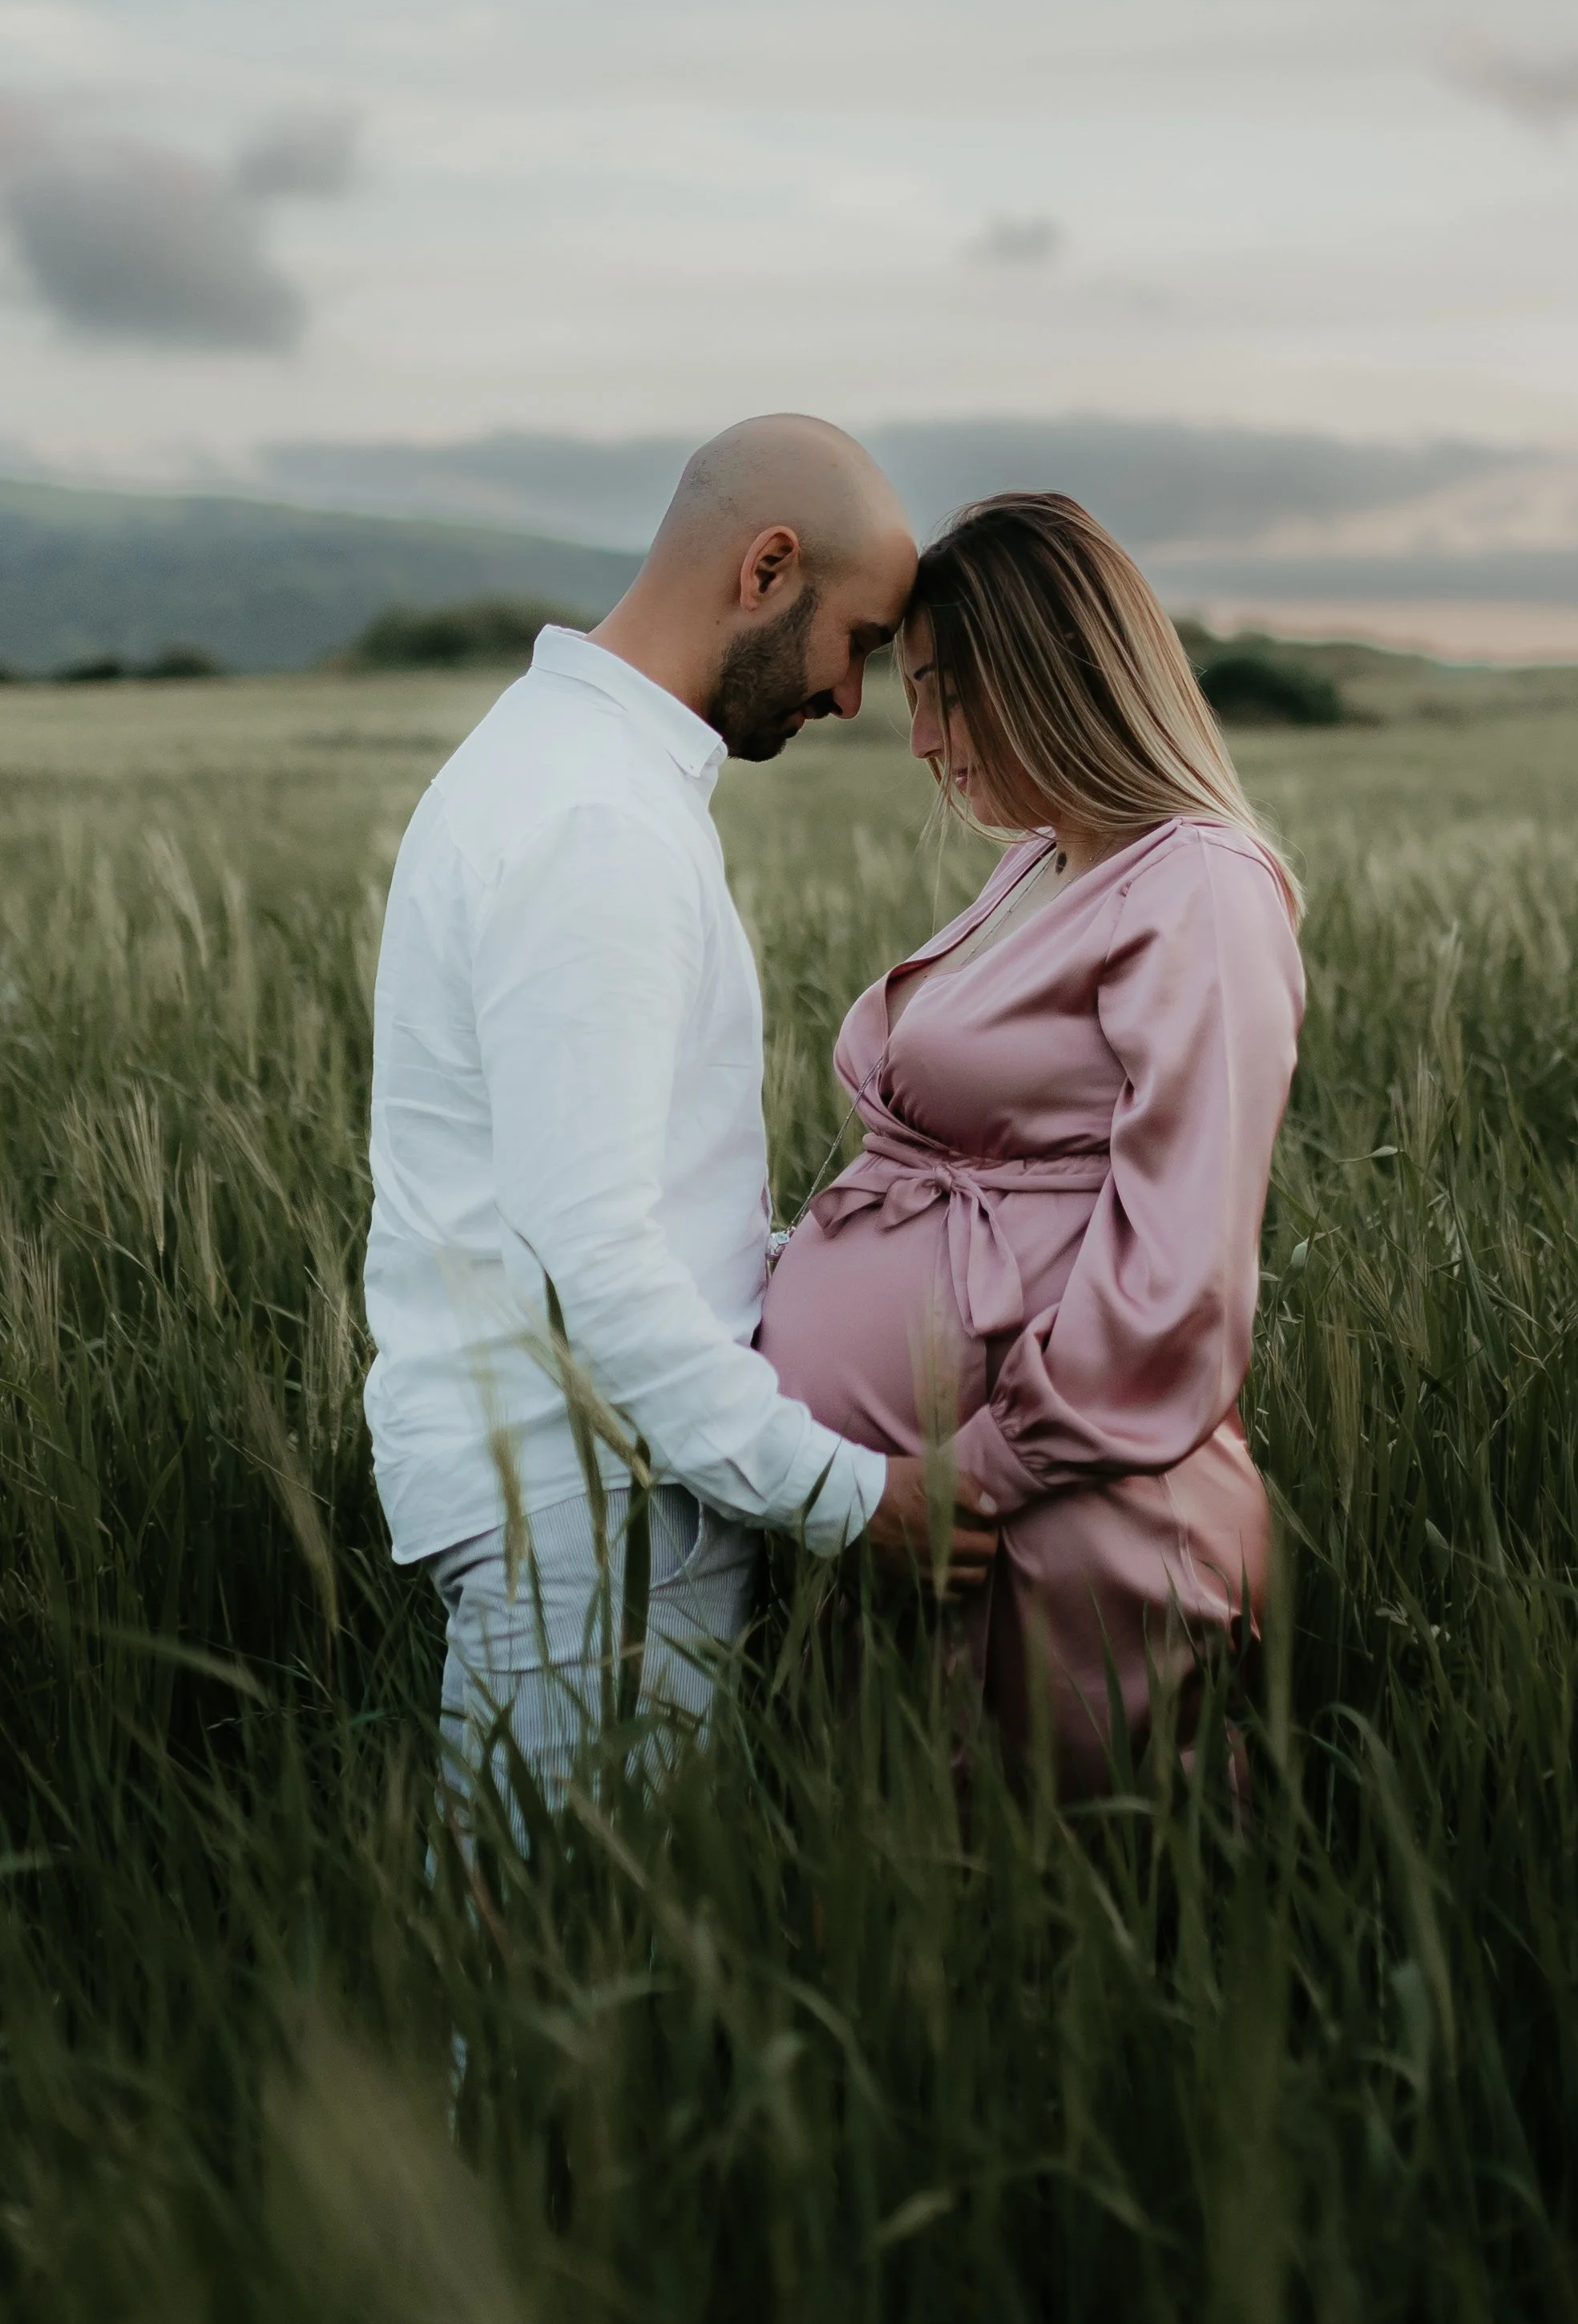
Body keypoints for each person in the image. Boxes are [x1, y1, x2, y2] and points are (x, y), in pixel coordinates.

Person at [362, 415, 999, 1824]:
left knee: (570, 1977)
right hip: (590, 1511)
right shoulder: (595, 822)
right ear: (769, 567)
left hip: (601, 1490)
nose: (851, 702)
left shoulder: (575, 771)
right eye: (861, 640)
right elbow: (599, 1268)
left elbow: (619, 1206)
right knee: (551, 1999)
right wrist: (851, 1495)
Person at [758, 491, 1305, 1794]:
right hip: (940, 1524)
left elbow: (1184, 1275)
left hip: (1053, 1535)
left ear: (1050, 675)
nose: (921, 738)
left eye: (947, 690)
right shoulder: (1046, 864)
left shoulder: (1202, 888)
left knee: (1094, 1922)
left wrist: (973, 1475)